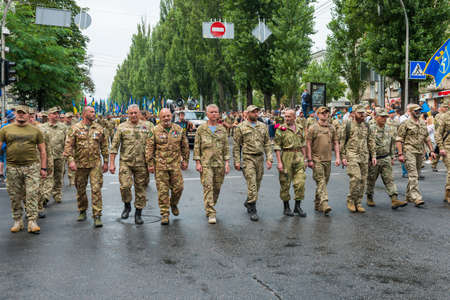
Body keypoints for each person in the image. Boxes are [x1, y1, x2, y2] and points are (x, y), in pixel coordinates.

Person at [0, 105, 47, 233]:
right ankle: (17, 221)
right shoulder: (5, 130)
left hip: (31, 166)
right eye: (19, 113)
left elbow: (42, 151)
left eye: (23, 113)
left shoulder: (35, 131)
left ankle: (32, 221)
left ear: (28, 115)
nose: (21, 115)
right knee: (14, 196)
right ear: (15, 114)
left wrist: (43, 168)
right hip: (12, 167)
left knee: (31, 194)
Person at [64, 106, 109, 227]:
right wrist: (71, 161)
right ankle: (82, 209)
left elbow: (104, 146)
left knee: (96, 189)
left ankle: (97, 215)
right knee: (81, 189)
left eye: (94, 112)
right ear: (84, 114)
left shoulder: (99, 128)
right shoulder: (75, 128)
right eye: (92, 112)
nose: (94, 114)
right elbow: (68, 146)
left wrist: (106, 161)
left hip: (95, 163)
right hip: (80, 164)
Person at [145, 108, 189, 225]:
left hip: (175, 165)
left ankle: (173, 203)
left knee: (179, 188)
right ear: (160, 117)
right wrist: (150, 164)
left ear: (171, 116)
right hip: (160, 166)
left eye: (168, 116)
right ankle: (165, 214)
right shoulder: (154, 130)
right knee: (163, 191)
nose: (166, 118)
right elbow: (149, 148)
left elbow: (184, 146)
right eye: (163, 116)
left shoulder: (179, 129)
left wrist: (185, 160)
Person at [110, 105, 152, 225]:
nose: (133, 115)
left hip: (142, 163)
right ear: (127, 114)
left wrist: (152, 162)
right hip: (126, 162)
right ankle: (127, 205)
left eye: (135, 113)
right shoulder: (122, 127)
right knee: (125, 186)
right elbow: (114, 146)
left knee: (140, 189)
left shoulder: (148, 126)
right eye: (131, 113)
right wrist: (112, 163)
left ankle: (138, 213)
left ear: (139, 113)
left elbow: (153, 144)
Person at [233, 105, 273, 221]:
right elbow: (236, 146)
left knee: (257, 183)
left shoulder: (263, 126)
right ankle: (253, 209)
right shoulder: (241, 127)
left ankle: (248, 201)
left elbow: (267, 143)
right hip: (248, 158)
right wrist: (237, 161)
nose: (256, 114)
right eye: (253, 112)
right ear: (247, 113)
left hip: (259, 158)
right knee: (252, 183)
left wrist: (269, 158)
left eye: (257, 112)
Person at [193, 104, 230, 224]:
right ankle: (211, 212)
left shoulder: (222, 129)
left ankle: (210, 205)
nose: (214, 114)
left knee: (217, 188)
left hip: (219, 164)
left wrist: (227, 163)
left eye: (216, 112)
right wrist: (198, 162)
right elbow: (197, 147)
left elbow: (226, 147)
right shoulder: (201, 129)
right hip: (206, 164)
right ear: (207, 114)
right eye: (212, 112)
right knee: (208, 187)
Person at [366, 109, 407, 209]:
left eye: (385, 117)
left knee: (389, 179)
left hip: (386, 158)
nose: (384, 119)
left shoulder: (389, 128)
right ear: (376, 117)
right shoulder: (370, 128)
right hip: (373, 159)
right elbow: (367, 144)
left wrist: (392, 156)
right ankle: (369, 197)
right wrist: (368, 159)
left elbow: (392, 143)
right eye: (382, 117)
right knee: (371, 180)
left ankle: (394, 199)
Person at [396, 104, 436, 207]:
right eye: (416, 110)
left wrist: (431, 151)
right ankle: (416, 197)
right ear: (410, 111)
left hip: (420, 152)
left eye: (419, 110)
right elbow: (399, 139)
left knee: (416, 175)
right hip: (409, 151)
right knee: (413, 174)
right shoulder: (405, 123)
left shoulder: (422, 123)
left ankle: (409, 195)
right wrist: (400, 154)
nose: (418, 112)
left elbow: (426, 138)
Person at [340, 105, 376, 213]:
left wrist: (373, 156)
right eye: (360, 113)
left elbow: (371, 141)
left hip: (364, 155)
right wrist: (343, 156)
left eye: (363, 113)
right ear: (354, 113)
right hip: (352, 154)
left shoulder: (366, 125)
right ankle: (351, 200)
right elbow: (342, 141)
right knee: (356, 178)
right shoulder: (348, 125)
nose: (362, 115)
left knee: (363, 180)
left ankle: (358, 202)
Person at [306, 106, 341, 215]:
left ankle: (317, 203)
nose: (325, 114)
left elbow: (336, 143)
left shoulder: (331, 128)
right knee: (321, 181)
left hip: (328, 159)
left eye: (326, 113)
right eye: (322, 113)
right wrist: (309, 159)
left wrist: (338, 157)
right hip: (317, 159)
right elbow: (308, 144)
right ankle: (325, 202)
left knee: (324, 182)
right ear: (318, 115)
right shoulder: (313, 128)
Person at [273, 109, 307, 217]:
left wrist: (305, 158)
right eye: (285, 116)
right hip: (286, 157)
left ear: (294, 117)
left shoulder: (300, 128)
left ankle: (297, 206)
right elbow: (277, 146)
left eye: (289, 116)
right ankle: (286, 207)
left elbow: (302, 144)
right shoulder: (280, 129)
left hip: (298, 156)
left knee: (300, 182)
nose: (287, 118)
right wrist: (279, 162)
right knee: (285, 183)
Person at [39, 107, 67, 204]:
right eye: (54, 113)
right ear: (49, 115)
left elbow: (67, 141)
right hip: (46, 157)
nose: (56, 115)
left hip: (59, 155)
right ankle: (45, 196)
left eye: (57, 113)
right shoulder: (42, 127)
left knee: (58, 176)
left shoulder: (63, 127)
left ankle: (57, 194)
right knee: (47, 177)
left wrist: (66, 152)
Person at [435, 104, 450, 203]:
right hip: (447, 147)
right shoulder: (445, 116)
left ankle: (446, 194)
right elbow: (438, 133)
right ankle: (449, 194)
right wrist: (441, 147)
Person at [432, 101, 448, 171]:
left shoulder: (447, 115)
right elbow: (437, 127)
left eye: (447, 107)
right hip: (441, 135)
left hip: (446, 136)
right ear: (441, 108)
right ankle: (434, 164)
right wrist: (437, 137)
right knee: (438, 151)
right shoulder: (438, 116)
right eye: (444, 107)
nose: (446, 108)